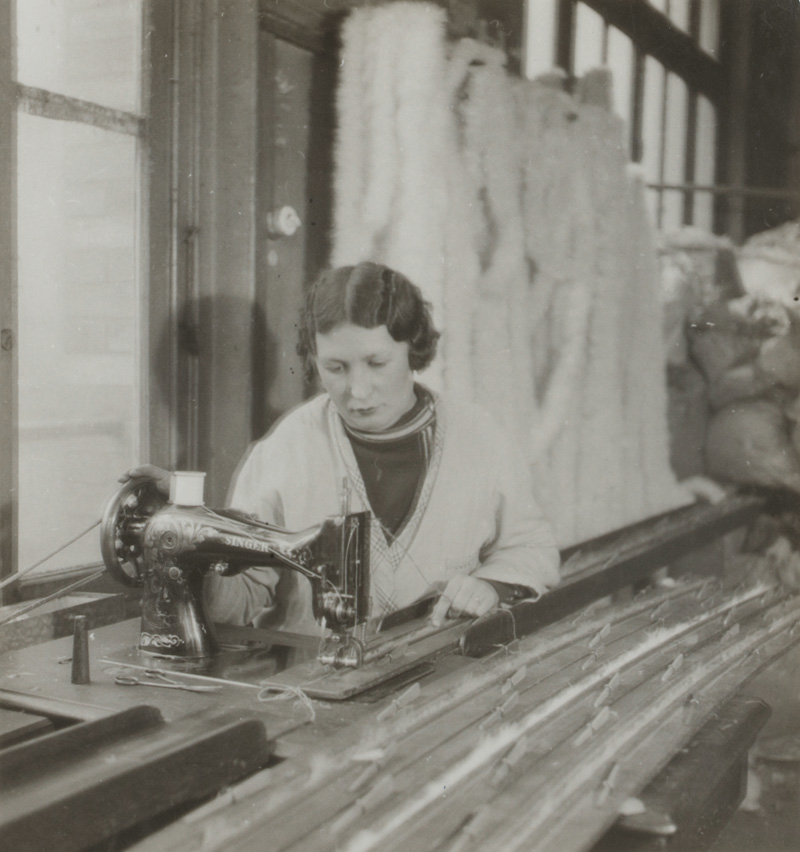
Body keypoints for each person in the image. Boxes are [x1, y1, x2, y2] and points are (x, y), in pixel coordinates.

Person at [125, 262, 560, 635]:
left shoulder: (480, 438)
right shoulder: (287, 448)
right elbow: (241, 598)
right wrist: (187, 542)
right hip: (310, 694)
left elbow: (531, 550)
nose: (356, 389)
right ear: (313, 359)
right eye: (335, 367)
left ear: (414, 349)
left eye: (376, 363)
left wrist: (492, 586)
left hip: (439, 681)